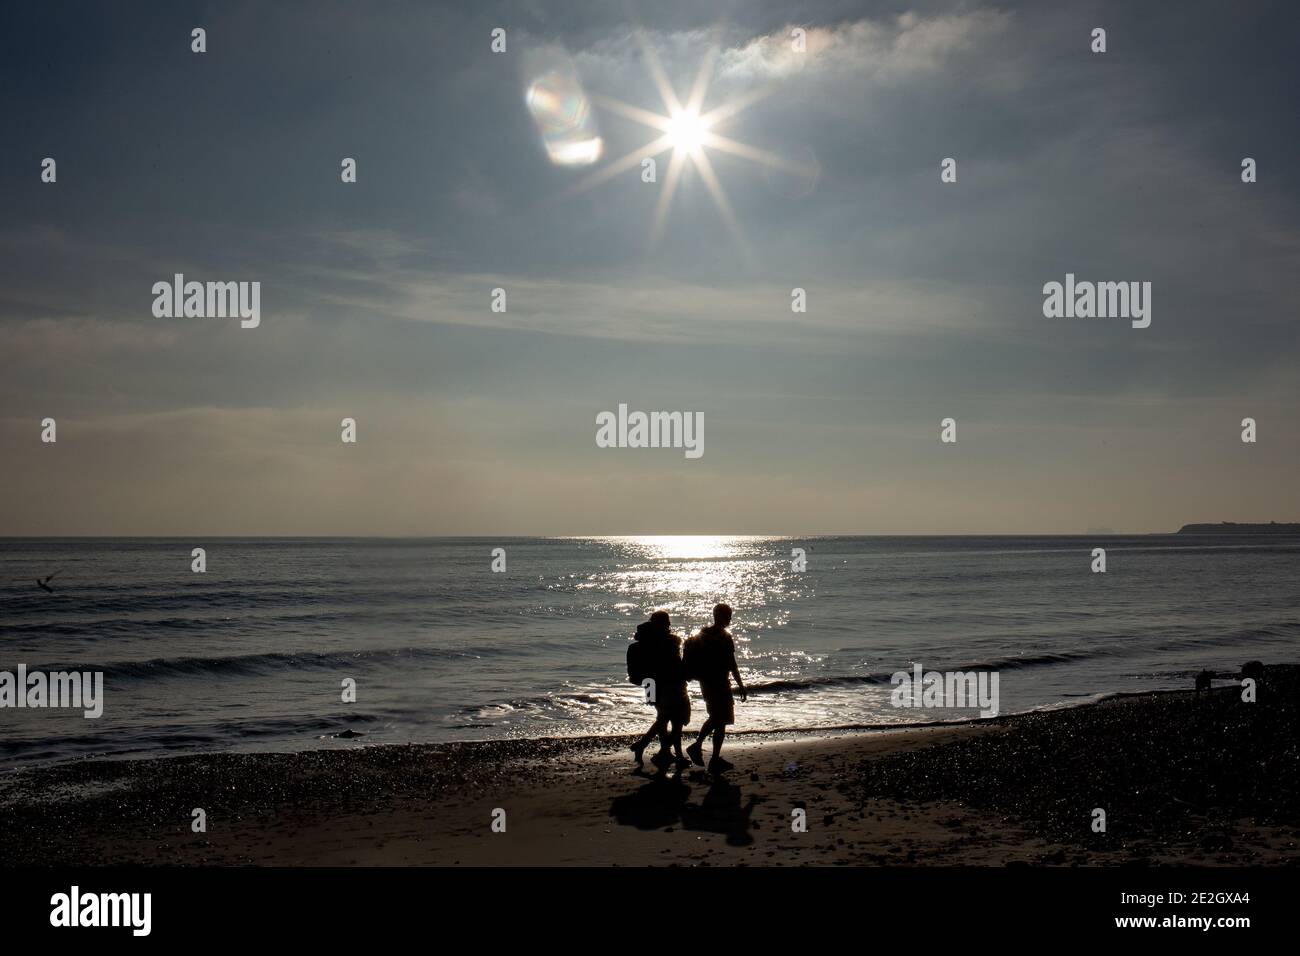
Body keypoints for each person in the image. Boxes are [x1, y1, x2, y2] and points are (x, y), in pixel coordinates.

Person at [683, 603, 746, 773]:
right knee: (720, 718)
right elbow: (732, 664)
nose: (730, 619)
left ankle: (714, 757)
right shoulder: (724, 637)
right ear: (723, 617)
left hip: (706, 683)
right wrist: (740, 685)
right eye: (729, 616)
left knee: (718, 719)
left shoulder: (700, 635)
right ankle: (698, 747)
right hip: (720, 683)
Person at [629, 611, 691, 768]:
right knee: (675, 720)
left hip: (649, 684)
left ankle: (667, 753)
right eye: (667, 622)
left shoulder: (645, 640)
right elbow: (674, 666)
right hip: (669, 684)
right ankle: (660, 750)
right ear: (663, 623)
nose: (669, 625)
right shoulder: (668, 641)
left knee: (663, 718)